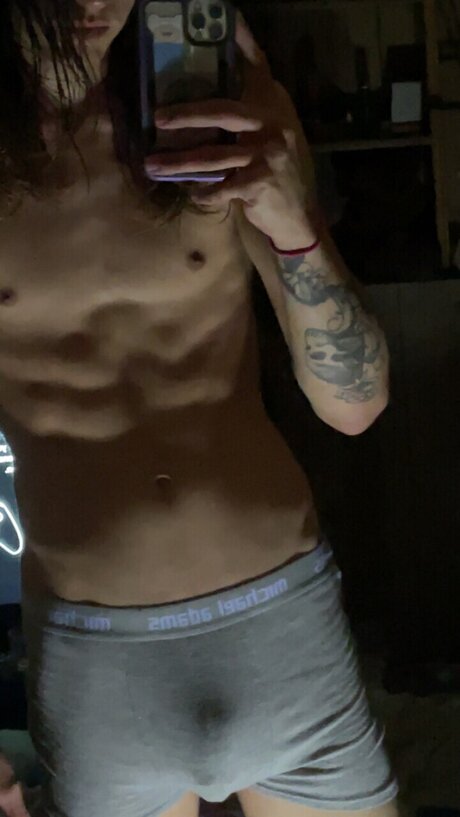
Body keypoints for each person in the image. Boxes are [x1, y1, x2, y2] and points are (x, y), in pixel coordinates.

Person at [0, 1, 396, 816]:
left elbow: (355, 405)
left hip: (284, 628)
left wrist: (295, 222)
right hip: (97, 666)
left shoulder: (221, 110)